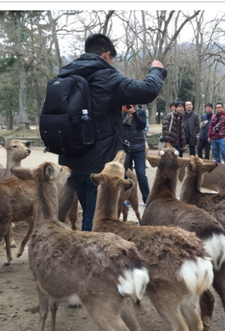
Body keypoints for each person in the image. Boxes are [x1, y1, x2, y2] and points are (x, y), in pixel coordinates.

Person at [52, 33, 164, 231]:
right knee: (95, 218)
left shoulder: (65, 75)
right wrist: (156, 70)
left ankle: (84, 254)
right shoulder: (105, 76)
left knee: (87, 211)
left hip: (71, 159)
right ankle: (90, 258)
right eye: (112, 59)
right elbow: (147, 90)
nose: (112, 63)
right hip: (98, 163)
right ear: (106, 55)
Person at [122, 103, 150, 203]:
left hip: (139, 148)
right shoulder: (121, 113)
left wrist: (134, 114)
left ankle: (147, 198)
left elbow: (142, 125)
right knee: (127, 175)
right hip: (126, 149)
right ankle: (128, 198)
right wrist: (123, 113)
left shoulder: (141, 112)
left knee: (141, 174)